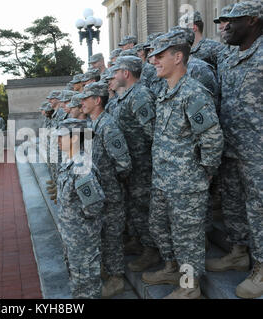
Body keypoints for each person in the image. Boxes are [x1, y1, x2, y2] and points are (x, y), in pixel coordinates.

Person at [142, 30, 223, 299]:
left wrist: (204, 176)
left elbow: (212, 139)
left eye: (160, 56)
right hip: (163, 181)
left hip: (187, 184)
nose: (154, 61)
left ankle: (190, 287)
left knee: (188, 240)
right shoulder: (166, 93)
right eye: (153, 57)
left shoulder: (193, 93)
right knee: (158, 228)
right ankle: (172, 268)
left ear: (178, 57)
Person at [209, 1, 263, 299]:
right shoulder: (229, 57)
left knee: (259, 209)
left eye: (232, 21)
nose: (224, 26)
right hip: (231, 148)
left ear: (253, 20)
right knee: (232, 204)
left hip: (258, 152)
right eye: (222, 21)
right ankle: (239, 251)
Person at [106, 56, 159, 272]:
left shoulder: (140, 96)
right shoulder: (123, 97)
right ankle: (139, 241)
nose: (113, 75)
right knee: (134, 207)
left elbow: (153, 132)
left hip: (142, 165)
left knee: (144, 207)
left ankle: (151, 249)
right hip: (129, 165)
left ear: (126, 73)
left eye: (116, 71)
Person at [80, 81, 132, 298]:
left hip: (110, 192)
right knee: (102, 234)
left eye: (86, 98)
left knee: (112, 236)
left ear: (97, 100)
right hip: (99, 192)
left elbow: (123, 162)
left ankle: (116, 278)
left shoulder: (107, 125)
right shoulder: (93, 124)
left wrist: (113, 182)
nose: (81, 102)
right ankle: (107, 269)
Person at [55, 118, 105, 298]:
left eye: (62, 137)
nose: (58, 141)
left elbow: (94, 206)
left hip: (82, 239)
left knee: (86, 287)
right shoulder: (70, 162)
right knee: (78, 283)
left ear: (75, 138)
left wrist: (79, 224)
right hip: (72, 237)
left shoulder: (81, 167)